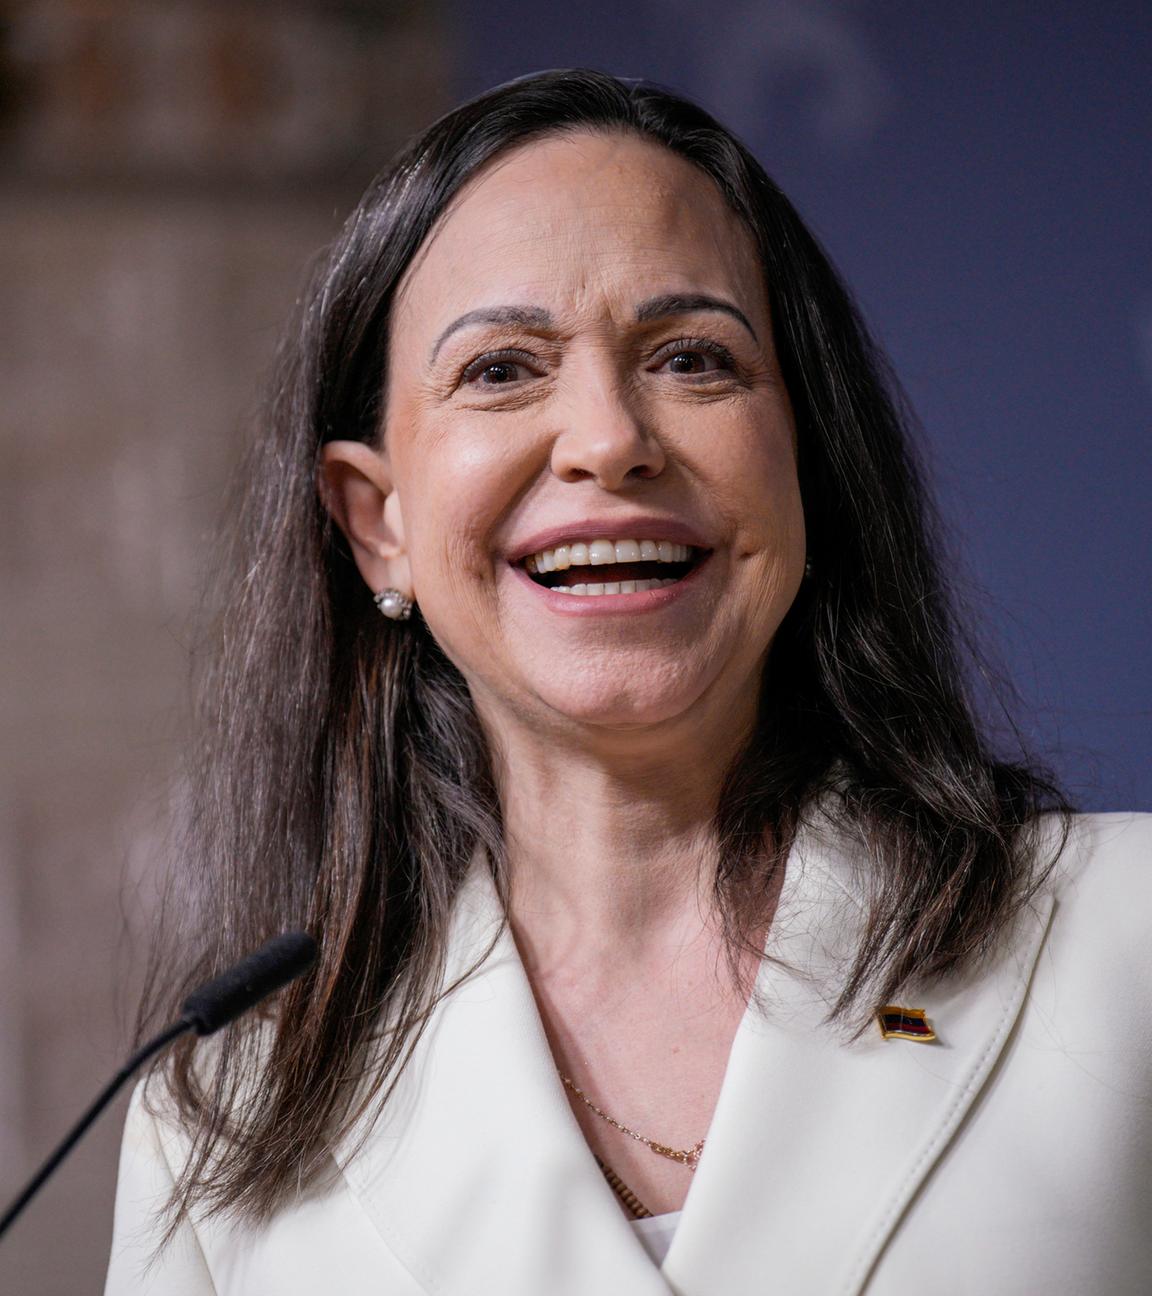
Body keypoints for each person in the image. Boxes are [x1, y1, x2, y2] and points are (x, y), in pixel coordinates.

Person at [104, 69, 1151, 1294]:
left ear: (803, 463)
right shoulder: (226, 1116)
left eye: (694, 358)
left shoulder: (1123, 940)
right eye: (501, 369)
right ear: (377, 523)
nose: (608, 438)